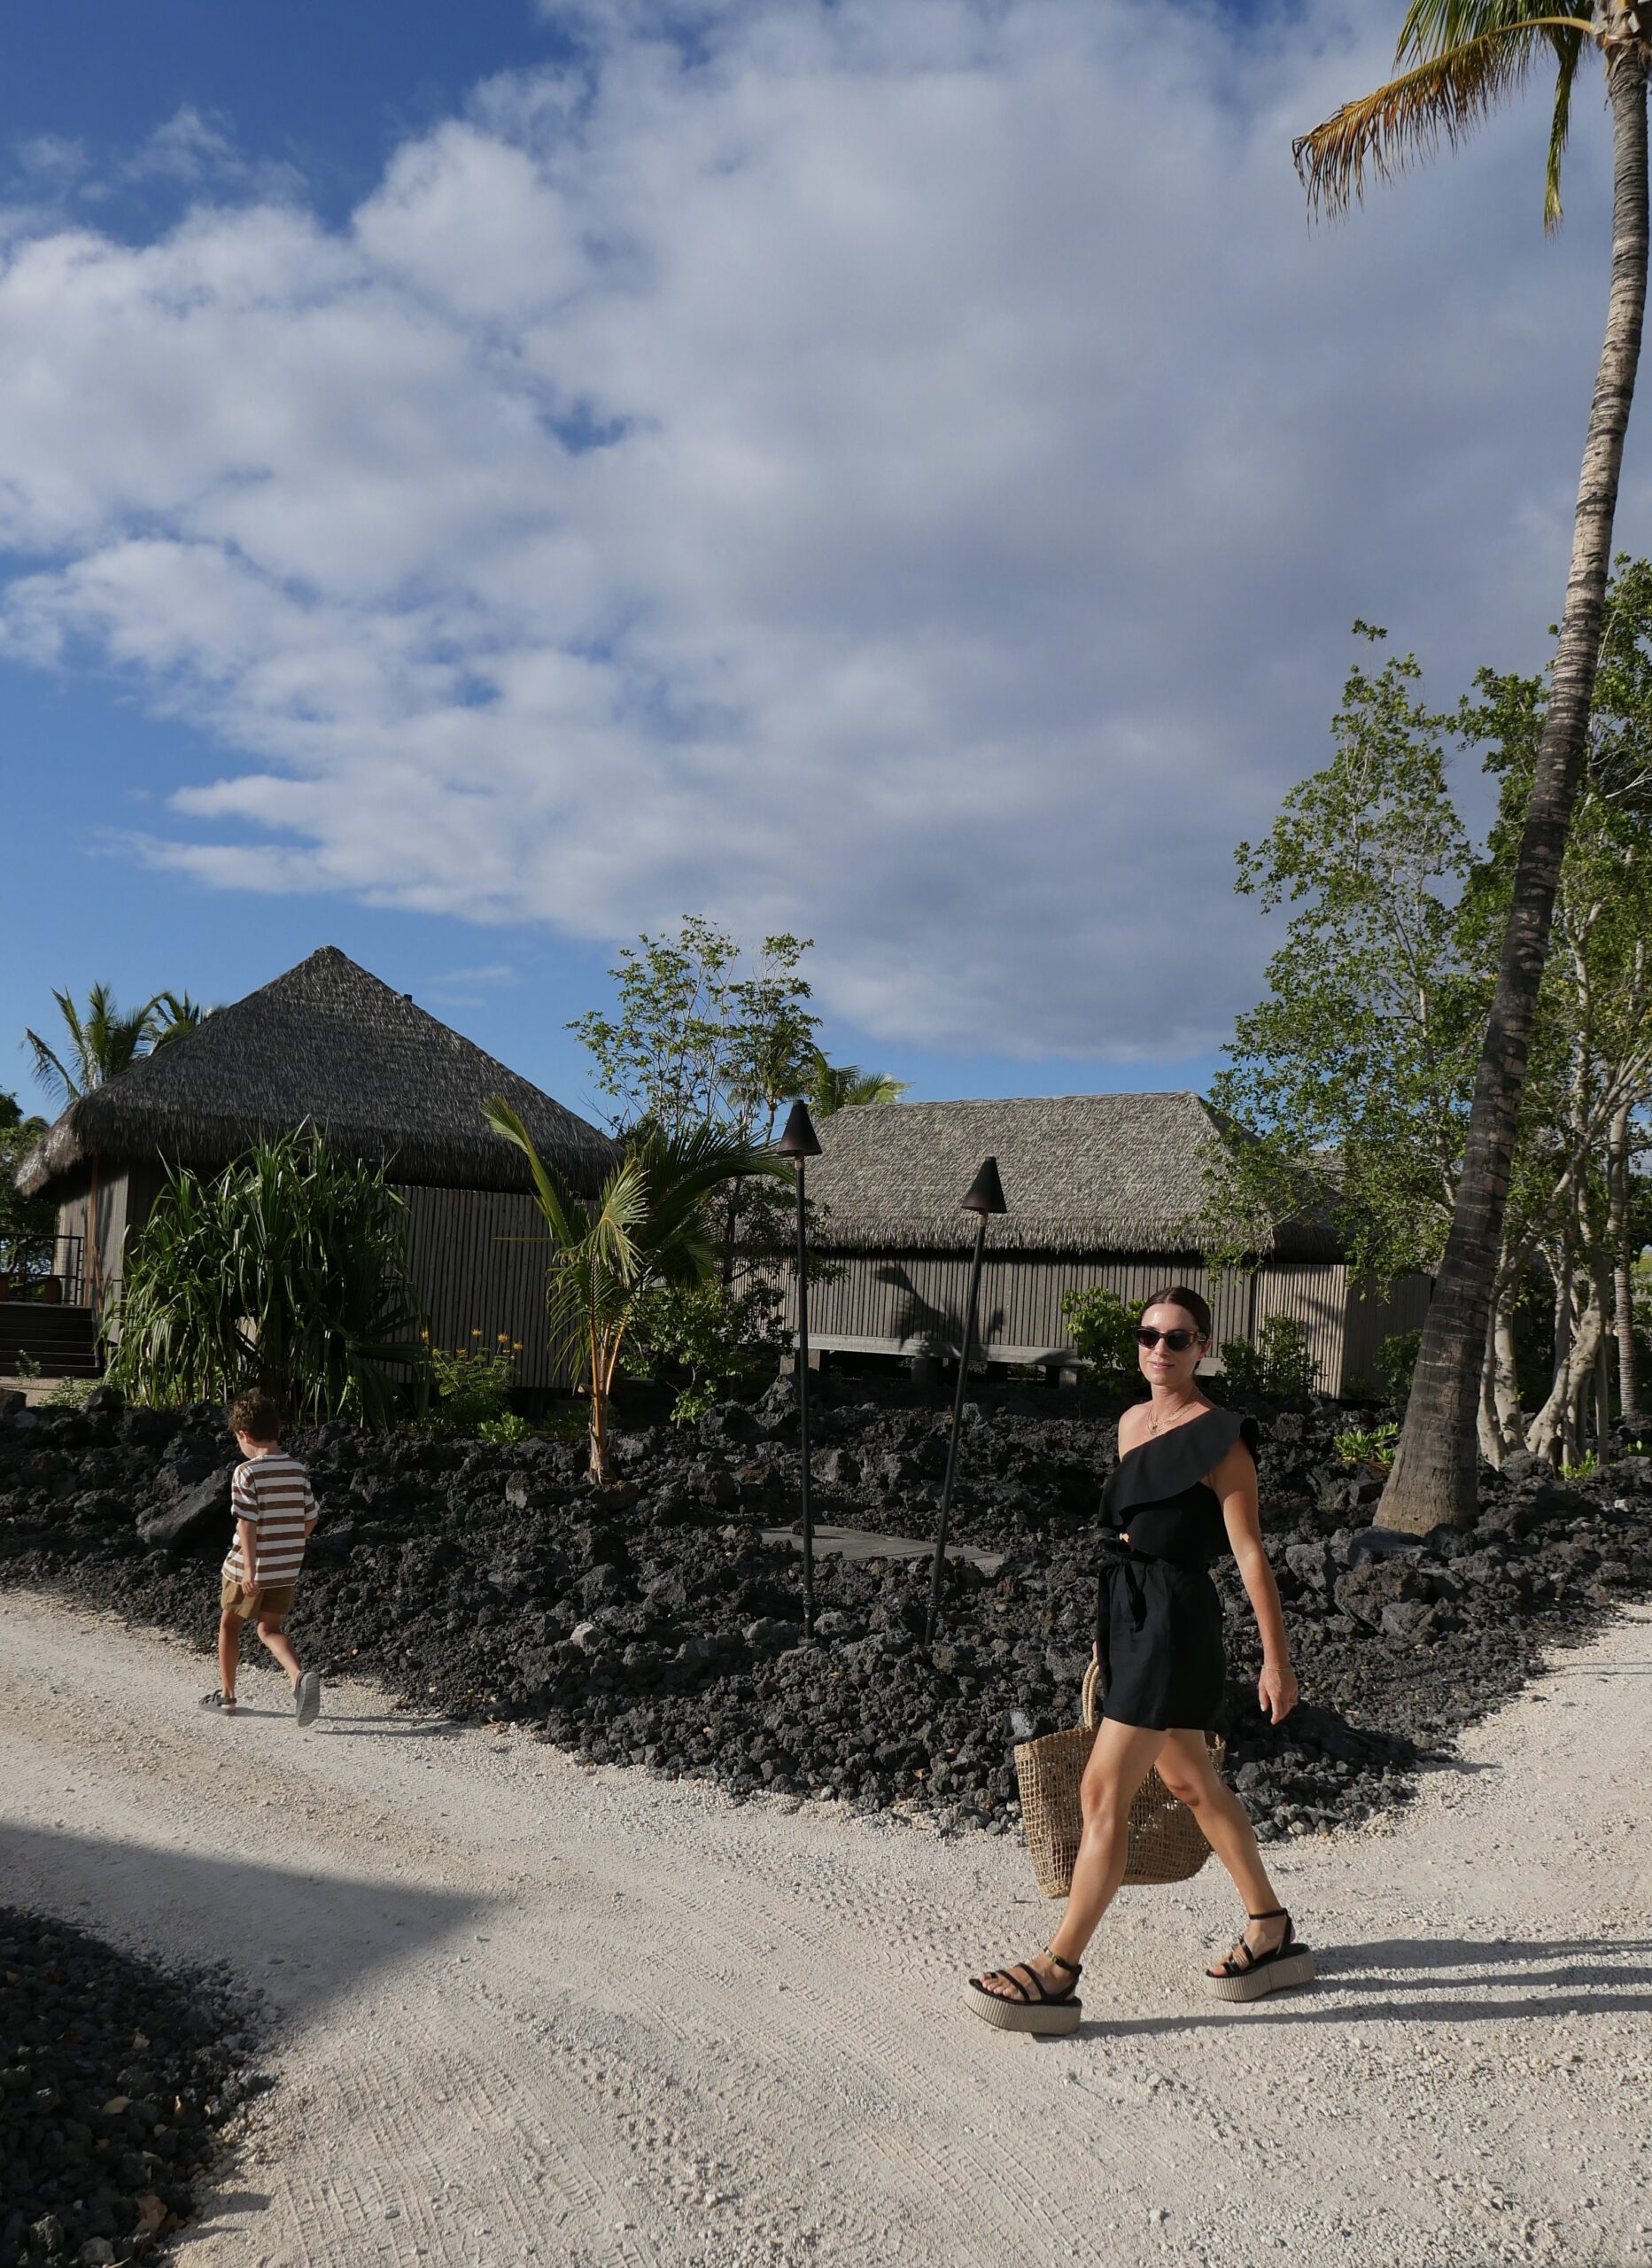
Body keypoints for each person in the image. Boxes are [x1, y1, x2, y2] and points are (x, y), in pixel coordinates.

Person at [967, 1285, 1312, 2032]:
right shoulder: (1129, 1422)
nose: (1160, 1349)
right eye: (1148, 1335)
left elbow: (1250, 1555)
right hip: (1131, 1614)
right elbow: (1128, 1538)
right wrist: (1107, 1629)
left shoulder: (1220, 1437)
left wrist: (1276, 1661)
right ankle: (1270, 1928)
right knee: (1190, 1780)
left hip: (1178, 1624)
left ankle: (1057, 1973)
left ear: (1203, 1348)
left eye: (1178, 1338)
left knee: (1100, 1793)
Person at [199, 1388, 322, 1726]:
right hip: (286, 1567)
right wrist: (291, 1543)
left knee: (229, 1625)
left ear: (243, 1434)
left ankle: (226, 1695)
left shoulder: (247, 1472)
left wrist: (250, 1568)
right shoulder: (297, 1469)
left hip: (247, 1567)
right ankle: (298, 1677)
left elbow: (247, 1522)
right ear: (278, 1430)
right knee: (269, 1628)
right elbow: (311, 1515)